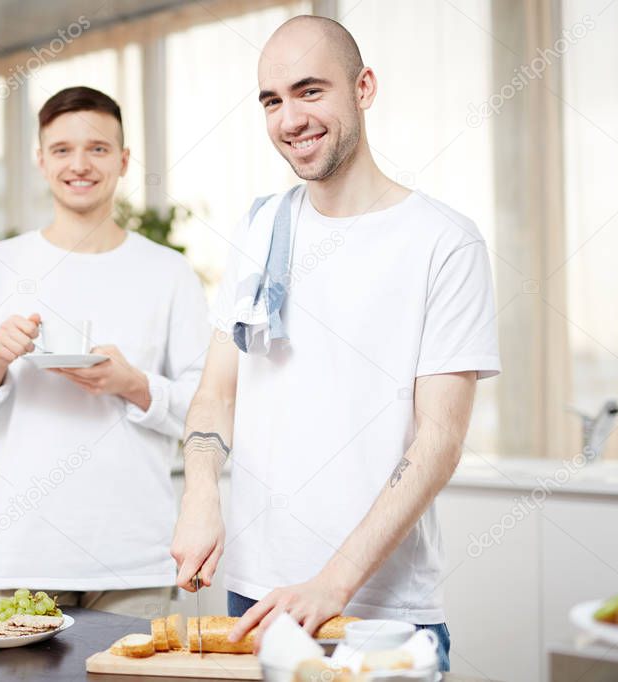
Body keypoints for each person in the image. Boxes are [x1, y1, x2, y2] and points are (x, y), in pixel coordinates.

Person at [169, 17, 500, 671]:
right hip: (255, 599)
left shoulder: (442, 242)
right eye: (271, 101)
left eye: (309, 91)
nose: (289, 118)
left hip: (380, 612)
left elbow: (438, 441)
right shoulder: (261, 229)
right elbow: (214, 394)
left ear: (363, 87)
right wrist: (200, 494)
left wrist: (332, 582)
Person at [0, 86, 209, 619]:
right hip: (23, 563)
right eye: (61, 150)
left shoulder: (168, 271)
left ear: (124, 161)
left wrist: (133, 384)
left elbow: (209, 412)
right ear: (40, 160)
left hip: (136, 562)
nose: (79, 164)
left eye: (98, 148)